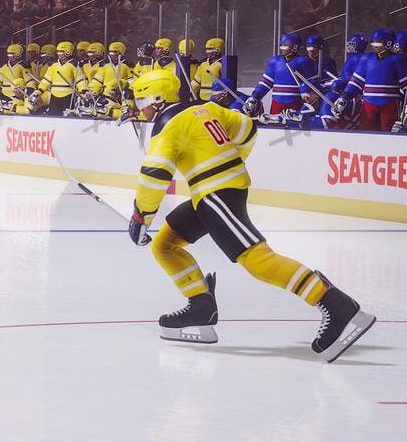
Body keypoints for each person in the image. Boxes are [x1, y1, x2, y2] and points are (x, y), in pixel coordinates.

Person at [125, 69, 373, 361]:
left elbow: (154, 173)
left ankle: (335, 303)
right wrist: (233, 162)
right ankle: (201, 306)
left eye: (142, 102)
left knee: (257, 260)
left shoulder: (167, 125)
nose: (141, 109)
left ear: (156, 97)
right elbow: (246, 128)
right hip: (214, 192)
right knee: (164, 244)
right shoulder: (207, 107)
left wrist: (142, 216)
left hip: (215, 195)